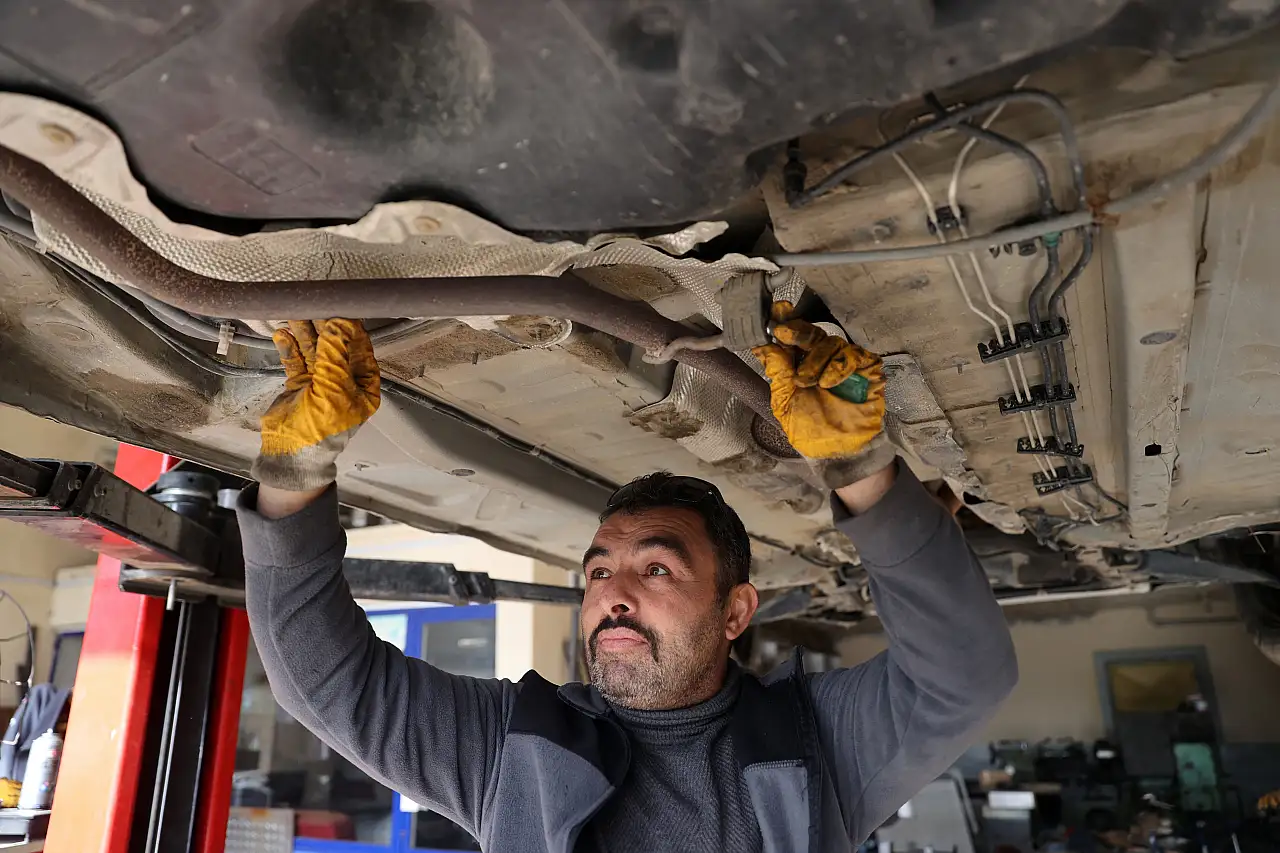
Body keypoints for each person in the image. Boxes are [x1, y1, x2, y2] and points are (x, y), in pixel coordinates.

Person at [237, 315, 1017, 853]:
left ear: (736, 609)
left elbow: (962, 678)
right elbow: (328, 685)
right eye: (601, 569)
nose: (613, 591)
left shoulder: (817, 741)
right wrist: (293, 475)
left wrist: (865, 474)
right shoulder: (510, 748)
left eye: (656, 567)